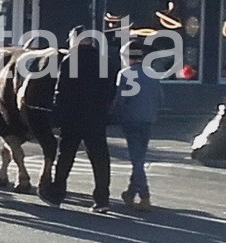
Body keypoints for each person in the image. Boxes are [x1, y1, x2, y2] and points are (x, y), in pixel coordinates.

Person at [40, 26, 116, 213]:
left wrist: (55, 118)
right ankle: (102, 198)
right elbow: (110, 91)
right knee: (99, 158)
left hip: (72, 116)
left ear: (75, 38)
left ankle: (57, 193)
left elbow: (62, 91)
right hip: (95, 116)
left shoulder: (70, 61)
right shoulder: (104, 61)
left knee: (65, 156)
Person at [115, 40, 164, 211]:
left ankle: (145, 196)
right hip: (148, 119)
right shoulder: (153, 74)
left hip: (131, 119)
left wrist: (115, 115)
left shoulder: (125, 74)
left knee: (137, 161)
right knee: (139, 157)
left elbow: (121, 100)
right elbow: (160, 99)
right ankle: (130, 192)